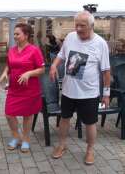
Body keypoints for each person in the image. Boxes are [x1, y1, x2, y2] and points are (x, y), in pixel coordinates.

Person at [49, 11, 110, 165]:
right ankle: (62, 145)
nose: (78, 28)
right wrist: (54, 66)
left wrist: (106, 94)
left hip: (89, 93)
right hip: (69, 90)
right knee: (64, 119)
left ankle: (90, 150)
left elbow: (106, 71)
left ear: (91, 26)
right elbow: (61, 55)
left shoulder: (100, 43)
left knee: (90, 123)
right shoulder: (70, 37)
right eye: (76, 25)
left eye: (82, 25)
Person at [0, 23, 45, 153]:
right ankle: (16, 136)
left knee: (27, 115)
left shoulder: (34, 50)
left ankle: (25, 139)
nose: (15, 36)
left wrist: (28, 73)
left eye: (17, 34)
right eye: (14, 34)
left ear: (26, 35)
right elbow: (9, 65)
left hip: (30, 90)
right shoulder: (12, 50)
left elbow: (42, 69)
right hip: (14, 89)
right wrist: (4, 73)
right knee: (9, 114)